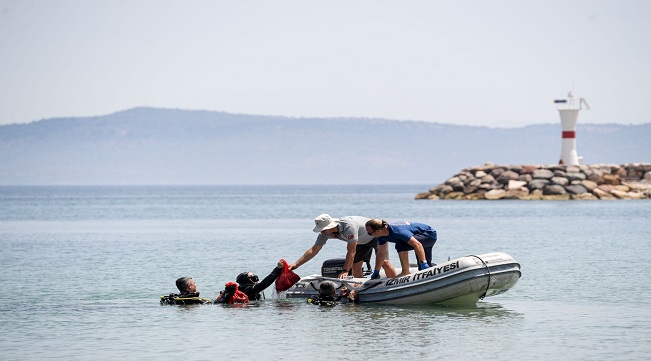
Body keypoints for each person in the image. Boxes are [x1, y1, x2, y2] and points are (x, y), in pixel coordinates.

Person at [288, 214, 397, 279]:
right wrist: (296, 264)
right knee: (355, 266)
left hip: (375, 236)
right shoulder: (325, 233)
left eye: (324, 229)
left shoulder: (349, 227)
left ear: (331, 226)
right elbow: (314, 249)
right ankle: (360, 288)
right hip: (359, 241)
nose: (322, 232)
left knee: (384, 262)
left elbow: (351, 251)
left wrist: (345, 270)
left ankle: (393, 282)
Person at [365, 219, 437, 279]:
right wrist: (376, 271)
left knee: (401, 243)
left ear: (378, 231)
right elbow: (381, 253)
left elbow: (417, 244)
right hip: (420, 238)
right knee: (423, 270)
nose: (369, 235)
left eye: (369, 233)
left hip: (428, 235)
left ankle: (405, 271)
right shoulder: (381, 236)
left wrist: (423, 263)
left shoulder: (398, 231)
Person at [216, 259, 285, 303]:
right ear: (248, 280)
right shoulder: (248, 290)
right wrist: (277, 270)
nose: (257, 280)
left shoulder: (242, 289)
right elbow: (264, 284)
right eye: (254, 278)